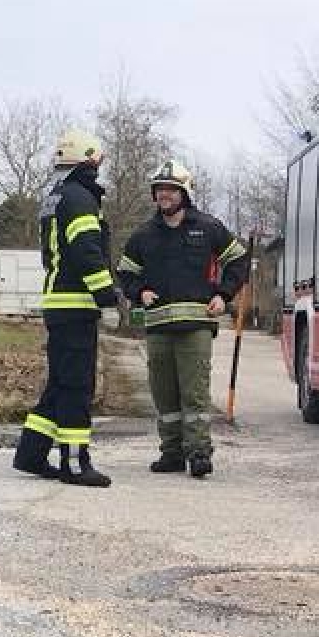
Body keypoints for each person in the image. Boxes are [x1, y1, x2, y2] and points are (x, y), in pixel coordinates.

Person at [114, 160, 250, 478]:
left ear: (184, 193)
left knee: (194, 393)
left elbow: (238, 259)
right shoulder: (144, 234)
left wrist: (224, 294)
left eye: (171, 190)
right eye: (160, 189)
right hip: (159, 327)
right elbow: (125, 272)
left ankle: (199, 453)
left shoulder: (208, 227)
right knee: (164, 395)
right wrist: (139, 292)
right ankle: (171, 452)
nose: (164, 195)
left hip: (196, 327)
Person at [13, 128, 120, 488]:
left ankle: (31, 454)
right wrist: (108, 296)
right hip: (76, 305)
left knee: (60, 384)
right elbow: (87, 251)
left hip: (58, 302)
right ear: (89, 159)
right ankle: (75, 464)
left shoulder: (55, 197)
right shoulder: (80, 198)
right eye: (98, 161)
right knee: (77, 387)